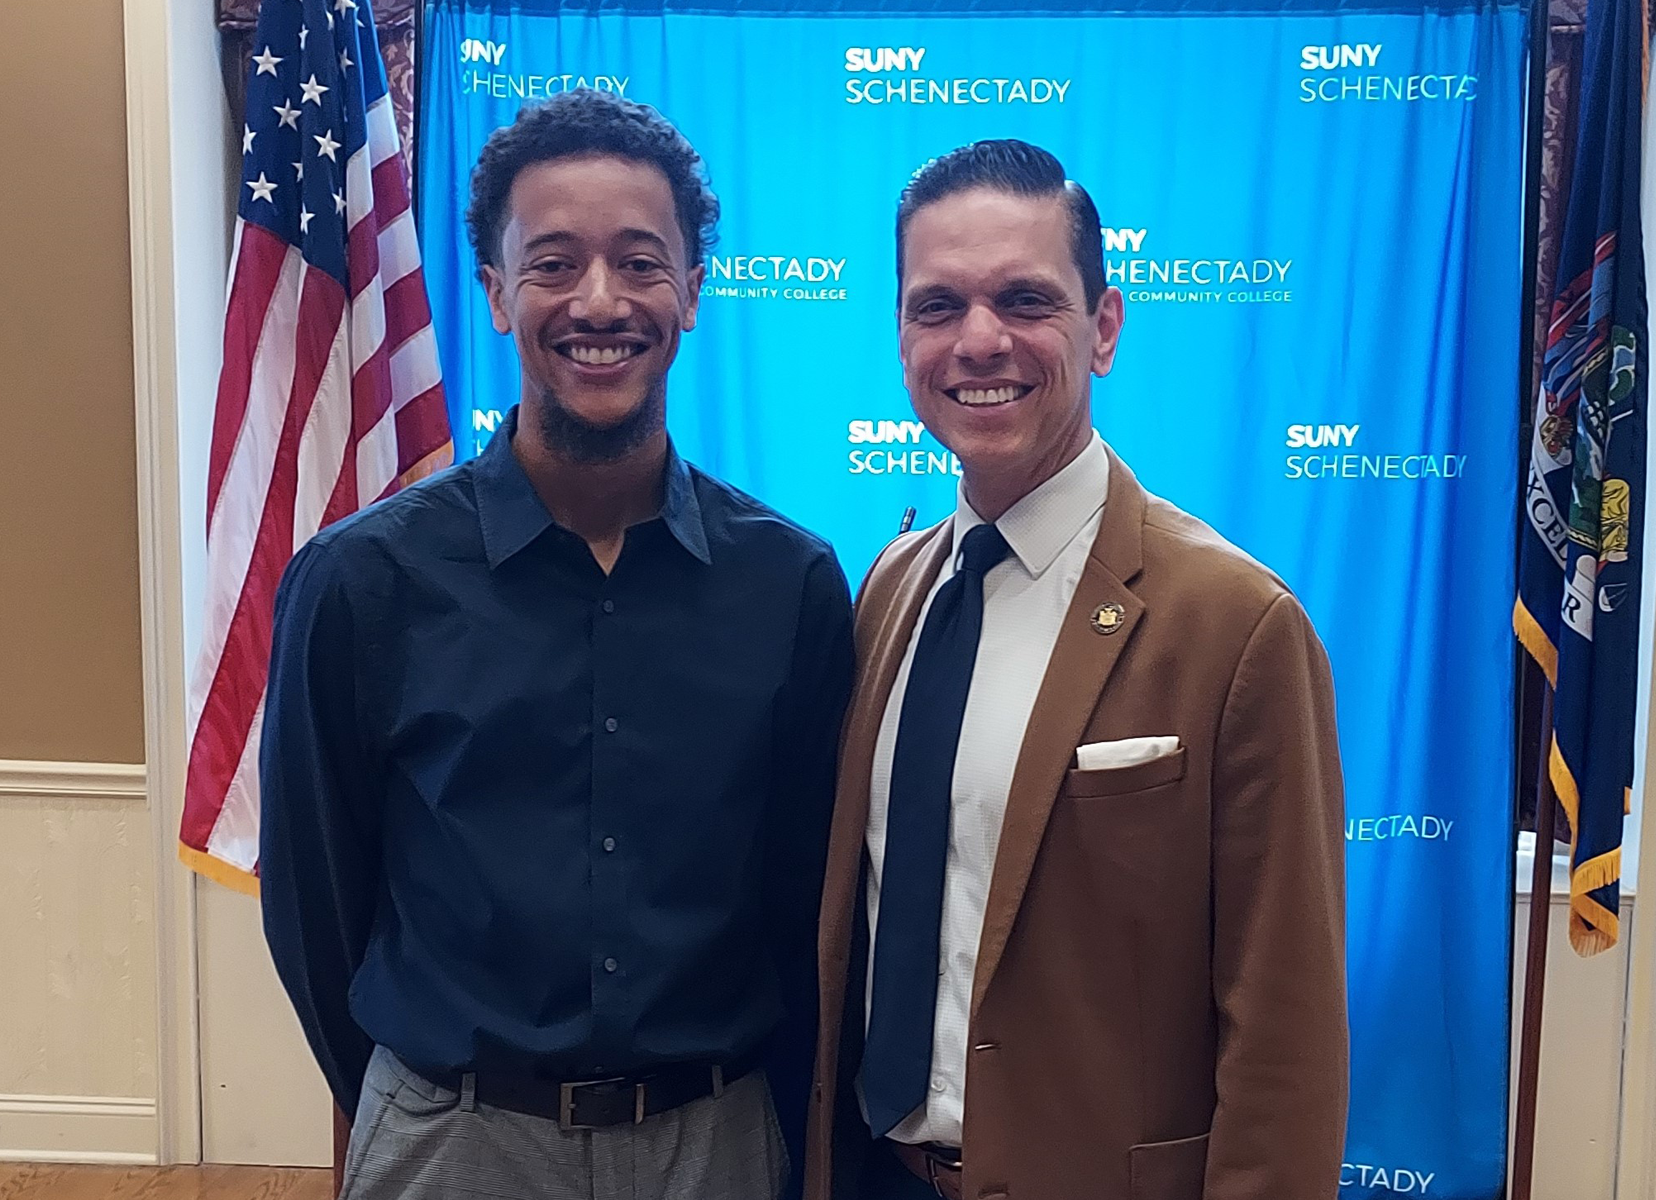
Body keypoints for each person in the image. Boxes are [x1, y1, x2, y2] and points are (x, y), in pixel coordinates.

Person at [260, 88, 853, 1200]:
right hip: (455, 1140)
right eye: (551, 263)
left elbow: (799, 904)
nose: (599, 300)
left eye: (639, 262)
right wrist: (424, 1097)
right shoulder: (362, 582)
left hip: (714, 1142)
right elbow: (316, 906)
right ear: (494, 292)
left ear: (691, 289)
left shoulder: (792, 585)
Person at [804, 140, 1349, 1200]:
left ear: (1103, 328)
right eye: (937, 305)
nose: (979, 340)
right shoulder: (888, 587)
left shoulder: (1237, 626)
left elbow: (1284, 1033)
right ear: (901, 336)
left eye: (1025, 298)